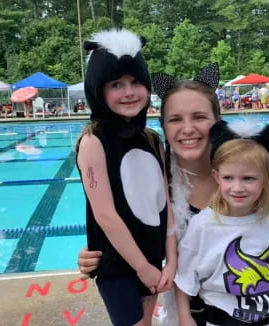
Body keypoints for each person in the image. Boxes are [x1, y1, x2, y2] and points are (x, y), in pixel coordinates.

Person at [77, 62, 269, 326]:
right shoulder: (158, 177)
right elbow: (123, 219)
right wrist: (92, 255)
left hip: (259, 291)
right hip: (199, 303)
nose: (188, 129)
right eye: (175, 119)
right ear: (163, 126)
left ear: (218, 122)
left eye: (199, 117)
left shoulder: (246, 170)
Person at [75, 28, 177, 326]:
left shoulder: (152, 139)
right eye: (116, 84)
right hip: (118, 263)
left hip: (152, 254)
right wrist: (143, 267)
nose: (129, 92)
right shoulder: (93, 141)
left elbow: (166, 202)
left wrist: (169, 258)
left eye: (135, 82)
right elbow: (105, 215)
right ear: (98, 90)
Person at [175, 120, 269, 326]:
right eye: (229, 178)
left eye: (248, 178)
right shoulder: (202, 225)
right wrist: (185, 317)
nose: (237, 187)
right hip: (224, 320)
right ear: (217, 176)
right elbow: (185, 278)